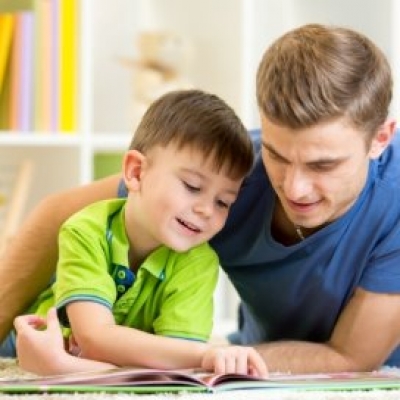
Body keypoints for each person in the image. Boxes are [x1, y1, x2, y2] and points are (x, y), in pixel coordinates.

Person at [2, 23, 400, 374]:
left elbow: (350, 358)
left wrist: (210, 360)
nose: (293, 188)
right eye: (278, 155)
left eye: (323, 165)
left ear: (380, 138)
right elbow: (58, 212)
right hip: (249, 358)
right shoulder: (231, 174)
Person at [7, 89, 267, 377]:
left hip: (69, 357)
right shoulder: (85, 230)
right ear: (135, 172)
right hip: (31, 339)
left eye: (223, 202)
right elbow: (94, 338)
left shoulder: (199, 261)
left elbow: (177, 362)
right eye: (193, 186)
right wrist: (207, 354)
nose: (207, 210)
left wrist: (71, 367)